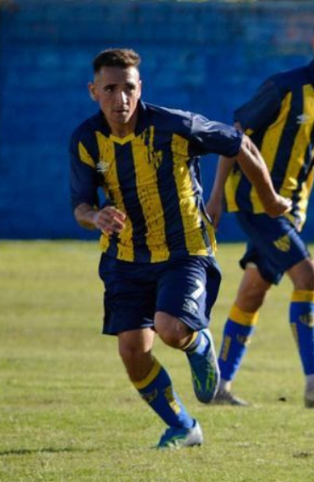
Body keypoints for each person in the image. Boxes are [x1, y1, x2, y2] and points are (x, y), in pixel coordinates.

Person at [70, 48, 291, 448]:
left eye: (129, 88)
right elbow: (81, 205)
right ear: (93, 91)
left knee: (171, 330)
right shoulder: (87, 140)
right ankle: (183, 426)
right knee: (133, 352)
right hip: (125, 257)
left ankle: (197, 342)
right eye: (111, 89)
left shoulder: (176, 125)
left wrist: (270, 198)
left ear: (141, 88)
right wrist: (95, 217)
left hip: (184, 249)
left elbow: (240, 144)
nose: (121, 98)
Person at [206, 12, 314, 408]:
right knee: (308, 274)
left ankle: (218, 386)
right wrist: (215, 200)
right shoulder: (283, 87)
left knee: (253, 292)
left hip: (293, 208)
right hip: (253, 200)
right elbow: (235, 134)